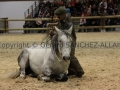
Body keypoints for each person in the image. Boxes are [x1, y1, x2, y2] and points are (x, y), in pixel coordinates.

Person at [47, 6, 84, 77]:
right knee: (65, 54)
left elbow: (65, 33)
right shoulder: (62, 19)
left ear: (63, 14)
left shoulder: (69, 23)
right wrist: (51, 24)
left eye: (58, 15)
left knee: (71, 56)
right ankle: (72, 71)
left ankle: (80, 71)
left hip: (70, 40)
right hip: (65, 39)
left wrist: (54, 33)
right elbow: (58, 24)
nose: (57, 17)